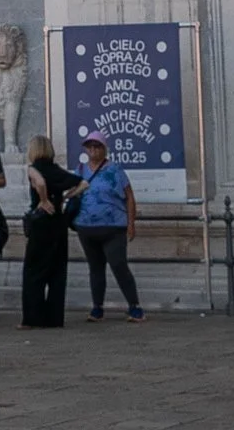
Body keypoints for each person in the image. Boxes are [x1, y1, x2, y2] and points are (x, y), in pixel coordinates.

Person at [72, 128, 144, 320]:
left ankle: (134, 306)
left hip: (113, 227)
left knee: (118, 265)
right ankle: (97, 307)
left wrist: (131, 223)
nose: (93, 150)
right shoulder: (80, 170)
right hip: (86, 227)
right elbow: (72, 193)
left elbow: (129, 197)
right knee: (95, 268)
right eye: (89, 146)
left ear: (104, 149)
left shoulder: (115, 170)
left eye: (97, 146)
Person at [19, 137, 76, 329]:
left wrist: (43, 200)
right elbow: (83, 183)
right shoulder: (57, 170)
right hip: (58, 223)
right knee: (57, 272)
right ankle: (54, 318)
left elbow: (41, 182)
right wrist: (65, 197)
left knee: (33, 272)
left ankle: (32, 318)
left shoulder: (33, 168)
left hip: (41, 223)